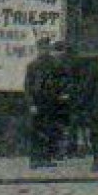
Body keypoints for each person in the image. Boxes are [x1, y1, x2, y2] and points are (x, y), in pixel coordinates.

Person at [23, 37, 65, 168]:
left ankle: (46, 158)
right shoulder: (32, 66)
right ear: (38, 49)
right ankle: (34, 159)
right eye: (42, 48)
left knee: (49, 130)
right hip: (37, 102)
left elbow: (62, 81)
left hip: (51, 102)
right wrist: (31, 104)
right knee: (35, 131)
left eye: (46, 48)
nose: (44, 51)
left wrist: (61, 94)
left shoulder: (55, 64)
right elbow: (28, 86)